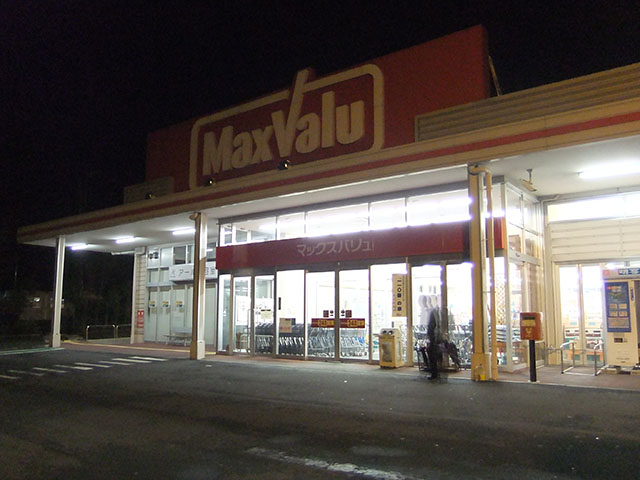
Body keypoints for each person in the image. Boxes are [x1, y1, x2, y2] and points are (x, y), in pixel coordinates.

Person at [426, 299, 441, 379]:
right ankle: (436, 372)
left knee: (432, 355)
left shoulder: (433, 312)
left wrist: (430, 336)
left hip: (434, 338)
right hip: (437, 337)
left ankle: (434, 373)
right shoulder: (438, 312)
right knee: (435, 355)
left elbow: (431, 326)